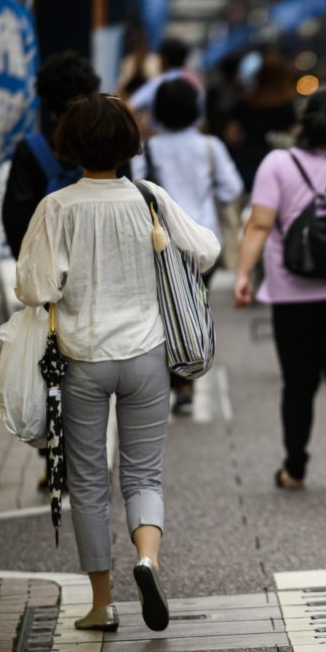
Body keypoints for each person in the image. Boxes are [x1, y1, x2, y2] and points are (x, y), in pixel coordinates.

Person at [15, 93, 220, 632]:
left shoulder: (57, 207)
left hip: (82, 357)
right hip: (147, 354)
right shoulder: (149, 198)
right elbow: (205, 250)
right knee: (143, 473)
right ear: (130, 142)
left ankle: (102, 602)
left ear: (71, 144)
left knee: (86, 481)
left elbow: (35, 287)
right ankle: (147, 561)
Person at [233, 88, 326, 496]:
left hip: (290, 291)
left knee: (298, 385)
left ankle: (295, 467)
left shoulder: (278, 163)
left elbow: (260, 224)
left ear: (304, 120)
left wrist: (244, 274)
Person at [132, 78, 244, 415]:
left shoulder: (147, 147)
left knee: (160, 306)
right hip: (204, 243)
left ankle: (166, 377)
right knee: (193, 304)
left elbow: (135, 188)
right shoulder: (210, 146)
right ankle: (186, 378)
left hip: (161, 241)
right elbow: (231, 188)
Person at [2, 50, 99, 258]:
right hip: (96, 261)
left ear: (44, 96)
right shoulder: (105, 141)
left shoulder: (30, 148)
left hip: (48, 265)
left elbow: (15, 219)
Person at [224, 53, 297, 191]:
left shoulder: (245, 103)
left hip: (249, 162)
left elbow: (232, 136)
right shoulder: (287, 105)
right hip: (279, 164)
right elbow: (294, 134)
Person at [128, 38, 205, 132]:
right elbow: (202, 120)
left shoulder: (159, 82)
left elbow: (130, 108)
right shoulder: (196, 82)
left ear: (164, 59)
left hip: (161, 137)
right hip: (192, 137)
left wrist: (144, 129)